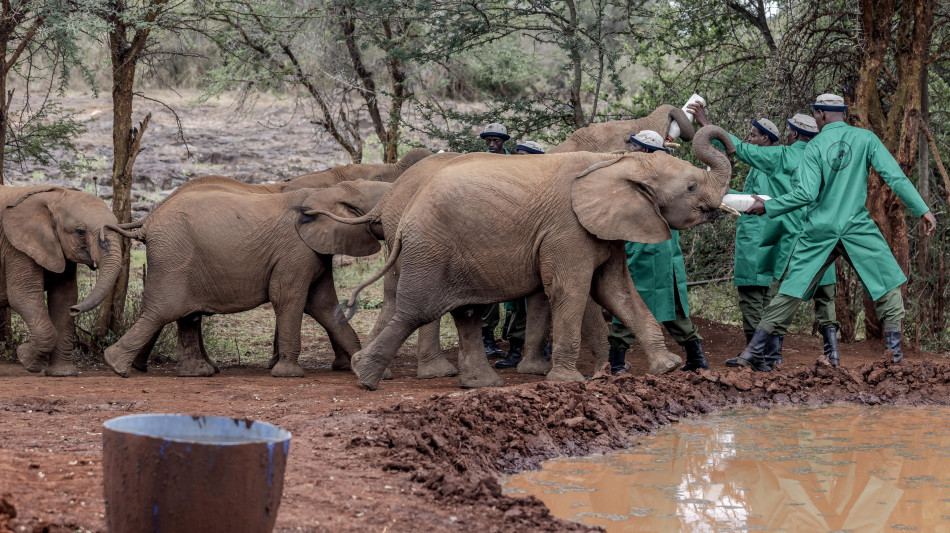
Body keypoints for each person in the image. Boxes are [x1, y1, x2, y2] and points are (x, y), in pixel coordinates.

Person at [736, 93, 936, 371]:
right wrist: (922, 209)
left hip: (820, 229)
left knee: (791, 290)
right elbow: (895, 176)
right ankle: (895, 357)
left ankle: (750, 353)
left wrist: (766, 207)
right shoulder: (866, 139)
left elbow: (805, 194)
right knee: (888, 284)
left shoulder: (814, 147)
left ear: (820, 114)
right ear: (841, 113)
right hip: (856, 226)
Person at [691, 104, 840, 366]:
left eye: (754, 135)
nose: (751, 139)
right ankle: (824, 355)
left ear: (792, 135)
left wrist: (707, 126)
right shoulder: (826, 159)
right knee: (815, 295)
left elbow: (741, 151)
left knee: (768, 294)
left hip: (775, 234)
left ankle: (762, 355)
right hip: (819, 235)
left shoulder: (780, 157)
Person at [607, 130, 707, 374]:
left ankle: (616, 364)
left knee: (630, 304)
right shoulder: (672, 178)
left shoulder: (644, 179)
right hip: (663, 248)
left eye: (635, 147)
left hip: (645, 248)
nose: (631, 150)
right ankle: (697, 358)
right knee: (671, 306)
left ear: (645, 152)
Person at [494, 140, 546, 369]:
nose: (518, 159)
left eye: (523, 155)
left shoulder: (544, 186)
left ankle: (537, 352)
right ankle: (515, 351)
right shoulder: (511, 184)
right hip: (515, 256)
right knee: (515, 306)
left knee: (538, 306)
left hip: (537, 255)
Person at [478, 123, 518, 359]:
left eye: (496, 140)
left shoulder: (514, 163)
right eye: (489, 140)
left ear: (504, 141)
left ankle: (513, 335)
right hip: (486, 230)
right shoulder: (479, 162)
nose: (492, 145)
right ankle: (486, 336)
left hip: (512, 230)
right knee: (487, 284)